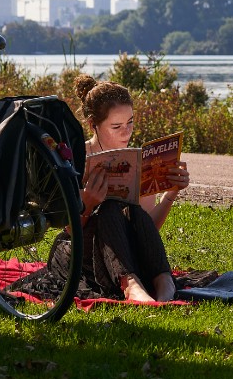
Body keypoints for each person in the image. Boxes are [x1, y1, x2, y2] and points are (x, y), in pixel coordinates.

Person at [65, 74, 190, 302]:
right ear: (93, 125)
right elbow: (69, 233)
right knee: (110, 207)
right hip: (81, 255)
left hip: (126, 255)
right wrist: (88, 203)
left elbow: (147, 229)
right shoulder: (77, 159)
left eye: (130, 122)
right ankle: (130, 285)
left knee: (132, 210)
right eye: (116, 126)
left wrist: (170, 194)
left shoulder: (137, 161)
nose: (127, 132)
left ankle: (164, 281)